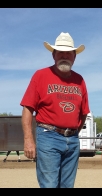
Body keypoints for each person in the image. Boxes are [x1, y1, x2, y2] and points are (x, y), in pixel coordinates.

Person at [20, 32, 90, 188]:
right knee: (50, 184)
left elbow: (84, 113)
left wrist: (73, 133)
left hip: (72, 140)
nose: (64, 56)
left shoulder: (79, 80)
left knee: (67, 185)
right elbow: (27, 109)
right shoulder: (41, 75)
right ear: (54, 55)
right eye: (60, 52)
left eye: (68, 53)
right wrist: (28, 140)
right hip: (48, 136)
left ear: (74, 56)